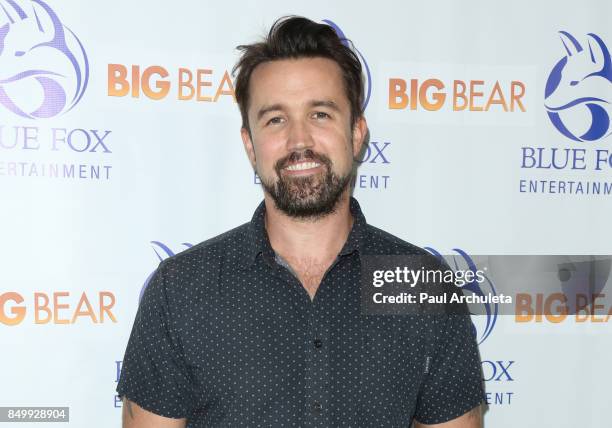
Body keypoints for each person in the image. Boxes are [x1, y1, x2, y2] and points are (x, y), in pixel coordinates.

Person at [117, 16, 485, 428]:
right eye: (276, 119)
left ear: (358, 133)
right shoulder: (180, 290)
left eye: (321, 115)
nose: (299, 141)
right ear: (249, 146)